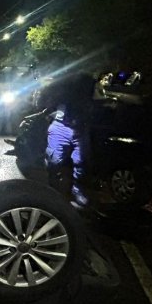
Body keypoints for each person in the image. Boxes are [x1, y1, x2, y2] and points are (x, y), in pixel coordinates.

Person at [42, 72, 96, 209]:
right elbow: (46, 99)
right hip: (61, 126)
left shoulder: (88, 81)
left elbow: (94, 102)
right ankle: (52, 191)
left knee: (82, 162)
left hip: (80, 127)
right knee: (54, 161)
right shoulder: (61, 82)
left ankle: (77, 190)